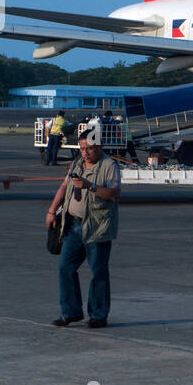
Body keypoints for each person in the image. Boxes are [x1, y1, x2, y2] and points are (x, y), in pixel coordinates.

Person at [47, 133, 121, 328]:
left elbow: (113, 194)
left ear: (99, 147)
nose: (85, 153)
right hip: (74, 225)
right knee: (65, 267)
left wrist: (91, 186)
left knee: (98, 271)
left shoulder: (109, 166)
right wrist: (52, 211)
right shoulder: (78, 163)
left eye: (88, 148)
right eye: (81, 149)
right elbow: (64, 186)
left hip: (97, 227)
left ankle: (98, 315)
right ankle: (70, 312)